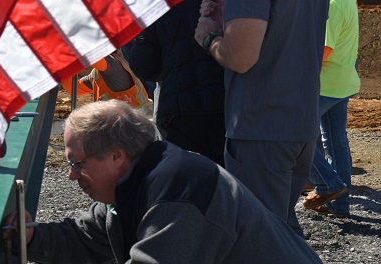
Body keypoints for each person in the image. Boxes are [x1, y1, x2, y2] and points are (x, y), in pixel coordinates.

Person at [3, 99, 342, 264]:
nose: (71, 176)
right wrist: (30, 237)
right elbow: (87, 235)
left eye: (77, 164)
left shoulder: (176, 190)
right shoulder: (145, 177)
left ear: (116, 157)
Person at [194, 0, 329, 236]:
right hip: (300, 121)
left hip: (260, 124)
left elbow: (240, 57)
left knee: (261, 237)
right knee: (282, 231)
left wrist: (209, 38)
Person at [126, 0, 226, 166]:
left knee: (189, 181)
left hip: (181, 111)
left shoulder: (158, 5)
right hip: (231, 108)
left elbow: (144, 65)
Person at [303, 0, 361, 218]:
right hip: (341, 83)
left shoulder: (332, 5)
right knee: (336, 143)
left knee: (293, 137)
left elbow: (322, 52)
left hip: (324, 85)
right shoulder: (345, 1)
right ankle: (339, 205)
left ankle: (328, 185)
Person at [60, 49, 153, 115]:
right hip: (125, 125)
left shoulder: (113, 65)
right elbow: (73, 89)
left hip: (136, 126)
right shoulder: (99, 73)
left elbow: (89, 54)